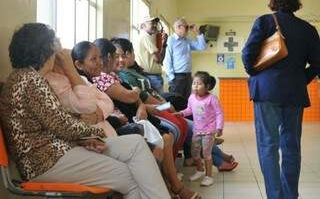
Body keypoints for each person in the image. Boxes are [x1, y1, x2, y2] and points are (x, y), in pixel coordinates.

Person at [0, 23, 171, 199]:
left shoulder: (25, 77)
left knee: (136, 143)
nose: (61, 49)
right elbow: (62, 125)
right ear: (46, 50)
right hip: (45, 161)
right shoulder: (31, 81)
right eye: (56, 44)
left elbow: (55, 121)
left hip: (58, 151)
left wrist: (87, 136)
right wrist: (93, 134)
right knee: (127, 175)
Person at [71, 40, 201, 199]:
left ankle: (171, 184)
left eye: (123, 56)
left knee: (178, 124)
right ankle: (173, 186)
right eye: (94, 59)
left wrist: (140, 103)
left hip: (130, 118)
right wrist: (139, 98)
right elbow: (126, 97)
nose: (100, 62)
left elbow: (134, 98)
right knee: (169, 135)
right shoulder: (95, 81)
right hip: (116, 126)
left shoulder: (110, 76)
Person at [111, 37, 238, 172]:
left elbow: (149, 94)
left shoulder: (132, 72)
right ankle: (217, 158)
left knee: (187, 117)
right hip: (150, 111)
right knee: (189, 127)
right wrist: (165, 106)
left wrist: (165, 104)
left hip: (155, 107)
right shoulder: (124, 76)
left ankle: (211, 153)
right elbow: (143, 98)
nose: (122, 60)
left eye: (124, 55)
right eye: (117, 56)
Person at [242, 0, 320, 199]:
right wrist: (299, 80)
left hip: (266, 92)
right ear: (296, 2)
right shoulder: (308, 29)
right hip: (294, 94)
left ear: (273, 0)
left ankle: (275, 196)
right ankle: (290, 195)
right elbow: (317, 64)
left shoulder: (265, 22)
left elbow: (247, 54)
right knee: (291, 147)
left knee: (268, 145)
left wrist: (256, 73)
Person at [175, 72, 224, 186]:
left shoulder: (212, 99)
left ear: (207, 86)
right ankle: (200, 170)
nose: (195, 86)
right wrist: (181, 113)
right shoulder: (192, 97)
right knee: (195, 152)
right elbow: (189, 110)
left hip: (209, 131)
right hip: (197, 130)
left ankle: (208, 176)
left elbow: (219, 113)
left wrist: (219, 127)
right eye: (194, 83)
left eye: (199, 84)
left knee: (206, 154)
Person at [163, 18, 207, 99]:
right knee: (176, 102)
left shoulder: (187, 41)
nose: (188, 29)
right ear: (178, 27)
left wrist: (197, 32)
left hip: (188, 76)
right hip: (177, 77)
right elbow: (167, 60)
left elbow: (202, 47)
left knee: (186, 102)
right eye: (186, 27)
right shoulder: (170, 40)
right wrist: (172, 78)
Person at [132, 16, 164, 93]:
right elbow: (158, 59)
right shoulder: (145, 36)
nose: (154, 25)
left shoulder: (143, 36)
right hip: (151, 76)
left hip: (150, 76)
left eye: (155, 23)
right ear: (143, 26)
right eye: (151, 23)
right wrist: (163, 44)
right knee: (160, 103)